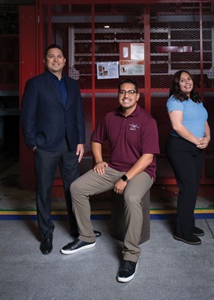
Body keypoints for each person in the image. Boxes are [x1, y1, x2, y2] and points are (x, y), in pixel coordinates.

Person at [60, 79, 160, 283]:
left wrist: (125, 178)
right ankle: (86, 237)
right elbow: (96, 140)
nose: (126, 96)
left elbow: (147, 157)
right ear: (118, 95)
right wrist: (98, 161)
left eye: (131, 92)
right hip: (113, 168)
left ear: (137, 96)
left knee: (131, 196)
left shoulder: (147, 120)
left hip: (141, 171)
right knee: (77, 187)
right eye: (122, 92)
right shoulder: (110, 117)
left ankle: (131, 255)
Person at [20, 44, 85, 255]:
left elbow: (78, 115)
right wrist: (33, 143)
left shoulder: (73, 85)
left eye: (59, 57)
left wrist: (80, 141)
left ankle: (78, 230)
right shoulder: (35, 84)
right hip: (45, 146)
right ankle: (46, 234)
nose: (55, 60)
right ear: (45, 61)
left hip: (69, 145)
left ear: (65, 61)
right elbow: (27, 116)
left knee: (73, 189)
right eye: (51, 57)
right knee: (44, 191)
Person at [166, 70, 210, 245]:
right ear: (177, 84)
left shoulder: (196, 100)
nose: (187, 82)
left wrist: (207, 138)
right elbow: (177, 126)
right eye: (182, 80)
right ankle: (182, 231)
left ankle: (188, 224)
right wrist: (196, 141)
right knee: (188, 186)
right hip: (180, 147)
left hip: (195, 147)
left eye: (189, 79)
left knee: (193, 187)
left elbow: (204, 122)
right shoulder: (175, 101)